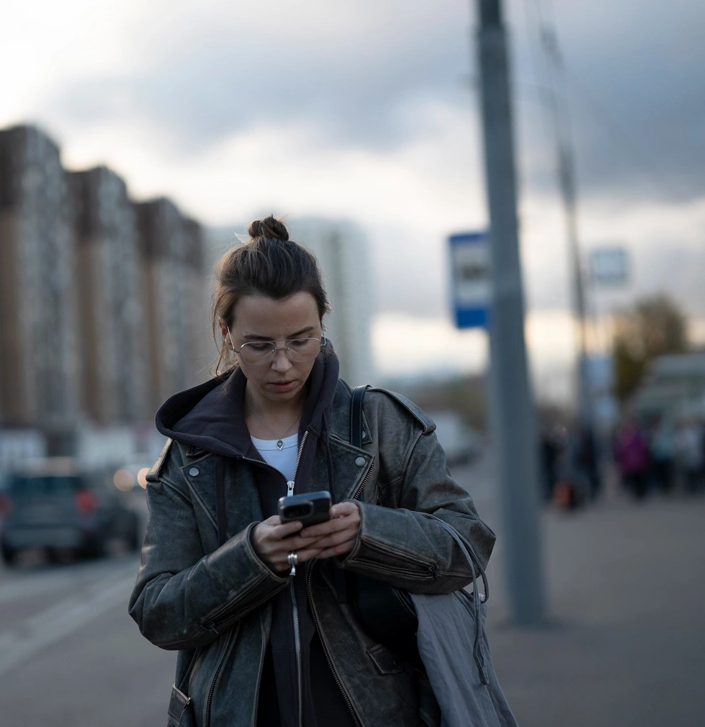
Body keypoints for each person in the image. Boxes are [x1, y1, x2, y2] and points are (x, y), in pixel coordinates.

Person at [129, 217, 496, 727]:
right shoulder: (187, 458)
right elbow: (157, 612)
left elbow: (468, 542)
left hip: (376, 711)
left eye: (302, 340)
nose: (283, 364)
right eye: (259, 345)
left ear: (323, 323)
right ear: (226, 332)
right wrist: (251, 557)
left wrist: (368, 532)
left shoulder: (379, 425)